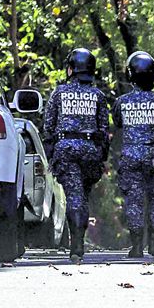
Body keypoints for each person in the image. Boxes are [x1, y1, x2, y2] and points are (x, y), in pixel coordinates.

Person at [44, 48, 110, 263]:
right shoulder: (98, 96)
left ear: (70, 69)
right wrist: (102, 156)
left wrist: (52, 151)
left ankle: (76, 246)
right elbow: (103, 129)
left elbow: (48, 126)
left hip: (66, 149)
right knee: (82, 195)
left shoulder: (59, 93)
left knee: (74, 196)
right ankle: (78, 242)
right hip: (90, 150)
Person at [112, 51, 154, 258]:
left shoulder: (121, 102)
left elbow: (117, 125)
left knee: (134, 201)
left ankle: (136, 246)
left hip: (131, 156)